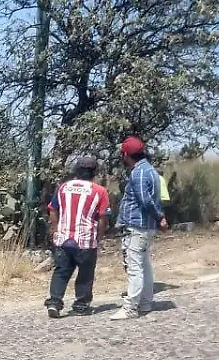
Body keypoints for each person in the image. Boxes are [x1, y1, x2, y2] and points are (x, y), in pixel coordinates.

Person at [44, 156, 109, 318]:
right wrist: (98, 237)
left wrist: (56, 229)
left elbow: (53, 210)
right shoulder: (100, 191)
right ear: (94, 172)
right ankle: (81, 304)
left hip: (64, 237)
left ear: (76, 171)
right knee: (85, 273)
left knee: (61, 271)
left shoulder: (63, 187)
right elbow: (102, 217)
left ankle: (54, 302)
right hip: (86, 240)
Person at [112, 137, 167, 320]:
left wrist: (159, 217)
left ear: (127, 155)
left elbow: (145, 200)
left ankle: (130, 308)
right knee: (144, 264)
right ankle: (145, 303)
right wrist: (159, 218)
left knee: (134, 266)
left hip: (137, 225)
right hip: (145, 226)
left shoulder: (139, 173)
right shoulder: (150, 171)